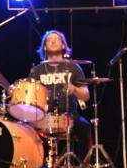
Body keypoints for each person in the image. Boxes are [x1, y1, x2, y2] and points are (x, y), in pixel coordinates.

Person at [28, 30, 91, 160]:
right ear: (44, 47)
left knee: (85, 127)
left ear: (63, 45)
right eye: (49, 40)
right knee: (26, 128)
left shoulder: (73, 67)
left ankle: (83, 167)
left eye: (57, 39)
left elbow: (86, 96)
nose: (53, 41)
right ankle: (36, 165)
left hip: (69, 115)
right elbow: (29, 95)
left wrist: (75, 89)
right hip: (43, 115)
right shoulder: (37, 71)